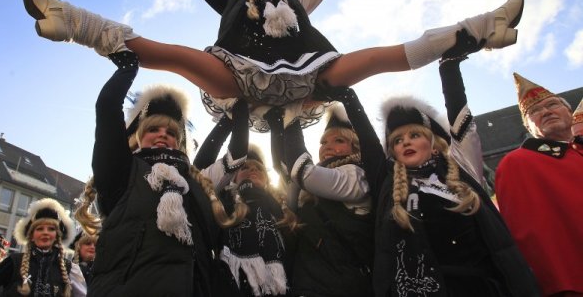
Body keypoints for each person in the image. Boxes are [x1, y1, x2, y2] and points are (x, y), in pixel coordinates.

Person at [21, 0, 524, 132]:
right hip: (241, 77)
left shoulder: (297, 3)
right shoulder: (233, 3)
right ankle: (70, 21)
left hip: (308, 75)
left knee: (377, 56)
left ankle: (485, 29)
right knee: (170, 53)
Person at [310, 31, 539, 296]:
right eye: (397, 140)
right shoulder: (387, 180)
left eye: (414, 135)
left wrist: (449, 67)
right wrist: (348, 99)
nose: (405, 143)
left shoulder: (460, 167)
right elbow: (371, 146)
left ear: (432, 143)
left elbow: (461, 124)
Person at [72, 50, 223, 296]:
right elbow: (107, 108)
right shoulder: (122, 171)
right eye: (154, 128)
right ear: (139, 136)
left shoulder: (195, 181)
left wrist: (233, 115)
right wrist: (127, 71)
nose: (164, 134)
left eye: (172, 132)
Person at [272, 102, 376, 297]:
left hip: (343, 288)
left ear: (354, 146)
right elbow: (284, 166)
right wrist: (275, 118)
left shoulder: (356, 176)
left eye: (338, 140)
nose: (328, 146)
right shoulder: (311, 185)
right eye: (323, 142)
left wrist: (293, 118)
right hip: (306, 286)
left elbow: (303, 172)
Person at [194, 103, 297, 297]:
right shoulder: (220, 201)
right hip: (230, 283)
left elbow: (284, 166)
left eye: (258, 168)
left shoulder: (283, 203)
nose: (252, 171)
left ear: (267, 178)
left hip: (282, 285)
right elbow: (200, 170)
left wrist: (277, 122)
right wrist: (231, 118)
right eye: (245, 168)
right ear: (233, 177)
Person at [495, 73, 583, 297]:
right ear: (529, 127)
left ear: (569, 113)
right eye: (534, 111)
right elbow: (527, 236)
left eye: (553, 104)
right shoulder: (517, 163)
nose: (545, 111)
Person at [0, 198, 86, 297]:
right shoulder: (14, 262)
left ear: (57, 236)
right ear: (31, 236)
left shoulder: (70, 268)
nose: (45, 232)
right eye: (40, 229)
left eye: (51, 229)